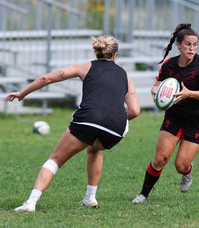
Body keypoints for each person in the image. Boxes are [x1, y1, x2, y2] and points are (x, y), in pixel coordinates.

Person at [7, 35, 141, 212]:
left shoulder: (84, 67)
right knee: (94, 148)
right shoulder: (125, 76)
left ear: (96, 51)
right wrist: (112, 118)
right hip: (115, 127)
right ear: (115, 55)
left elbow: (48, 79)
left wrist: (22, 94)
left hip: (87, 119)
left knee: (55, 159)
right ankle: (89, 197)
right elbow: (134, 111)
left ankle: (30, 203)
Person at [132, 23, 199, 203]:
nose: (192, 48)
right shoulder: (169, 64)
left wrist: (189, 93)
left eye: (195, 44)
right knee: (160, 159)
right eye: (188, 44)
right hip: (175, 115)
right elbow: (158, 83)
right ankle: (143, 195)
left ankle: (187, 171)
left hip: (198, 118)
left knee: (180, 165)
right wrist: (155, 91)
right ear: (179, 44)